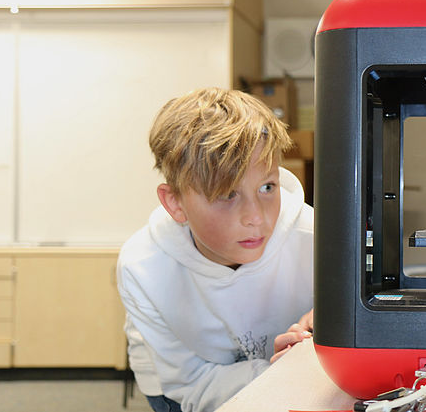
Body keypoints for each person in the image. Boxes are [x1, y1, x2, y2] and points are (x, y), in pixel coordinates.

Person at [117, 87, 314, 412]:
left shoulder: (316, 238)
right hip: (181, 387)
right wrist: (281, 372)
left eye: (267, 187)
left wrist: (327, 326)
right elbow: (190, 384)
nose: (256, 218)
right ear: (175, 202)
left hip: (296, 377)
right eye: (227, 195)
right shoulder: (143, 267)